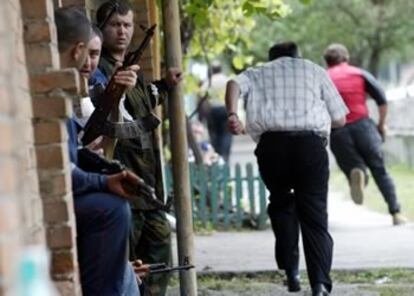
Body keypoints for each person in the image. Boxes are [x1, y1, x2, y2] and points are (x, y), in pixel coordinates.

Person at [225, 42, 348, 296]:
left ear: (271, 58)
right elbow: (340, 119)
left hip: (272, 147)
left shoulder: (258, 72)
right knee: (314, 214)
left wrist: (232, 114)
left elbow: (233, 84)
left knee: (281, 203)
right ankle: (320, 284)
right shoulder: (314, 70)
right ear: (297, 56)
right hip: (309, 146)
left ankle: (291, 273)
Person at [95, 2, 182, 295]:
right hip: (122, 181)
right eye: (114, 24)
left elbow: (146, 99)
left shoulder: (133, 70)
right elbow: (94, 116)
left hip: (148, 187)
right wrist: (113, 89)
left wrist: (166, 84)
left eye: (127, 25)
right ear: (101, 28)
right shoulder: (97, 68)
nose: (122, 31)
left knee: (158, 255)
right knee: (127, 267)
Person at [55, 7, 141, 295]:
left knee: (128, 275)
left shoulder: (81, 89)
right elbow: (61, 168)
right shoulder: (59, 94)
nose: (90, 64)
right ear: (77, 49)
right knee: (113, 210)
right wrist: (103, 180)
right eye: (87, 54)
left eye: (96, 55)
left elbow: (123, 129)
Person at [323, 43, 407, 226]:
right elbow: (381, 100)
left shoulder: (323, 78)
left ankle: (358, 172)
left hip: (338, 132)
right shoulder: (359, 73)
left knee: (351, 166)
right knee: (380, 170)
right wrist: (381, 125)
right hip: (363, 127)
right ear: (346, 57)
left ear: (327, 61)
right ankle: (396, 213)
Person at [200, 63, 233, 162]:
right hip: (225, 109)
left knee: (214, 134)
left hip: (212, 110)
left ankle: (217, 155)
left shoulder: (208, 82)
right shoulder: (226, 79)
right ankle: (225, 156)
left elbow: (202, 97)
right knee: (226, 134)